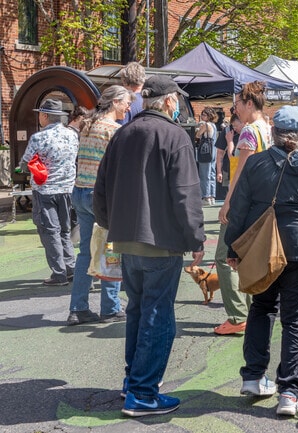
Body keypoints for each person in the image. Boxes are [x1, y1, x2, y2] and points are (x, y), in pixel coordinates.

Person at [93, 75, 205, 417]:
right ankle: (142, 392)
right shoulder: (173, 135)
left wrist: (113, 224)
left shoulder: (123, 133)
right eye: (177, 100)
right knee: (156, 316)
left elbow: (101, 191)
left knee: (139, 313)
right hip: (161, 242)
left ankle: (134, 381)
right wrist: (196, 238)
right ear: (170, 101)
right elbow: (186, 195)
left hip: (127, 238)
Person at [224, 105, 298, 417]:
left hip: (263, 246)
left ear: (273, 133)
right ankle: (289, 391)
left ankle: (253, 376)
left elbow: (238, 208)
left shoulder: (257, 163)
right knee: (296, 319)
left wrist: (232, 249)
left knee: (261, 309)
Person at [67, 85, 134, 326]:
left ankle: (78, 307)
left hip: (80, 190)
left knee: (86, 252)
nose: (129, 107)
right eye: (126, 102)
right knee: (111, 250)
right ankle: (110, 307)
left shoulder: (86, 125)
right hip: (102, 196)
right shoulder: (115, 130)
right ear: (115, 102)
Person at [215, 81, 271, 335]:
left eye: (237, 104)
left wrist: (227, 202)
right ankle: (250, 312)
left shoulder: (249, 131)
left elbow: (241, 171)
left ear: (249, 104)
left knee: (224, 256)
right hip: (259, 200)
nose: (234, 110)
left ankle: (238, 315)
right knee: (247, 257)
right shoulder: (266, 128)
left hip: (242, 200)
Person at [21, 99, 78, 286]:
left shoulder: (38, 138)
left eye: (40, 114)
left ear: (45, 115)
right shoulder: (72, 135)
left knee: (49, 231)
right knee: (64, 230)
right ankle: (71, 269)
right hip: (68, 190)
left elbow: (25, 164)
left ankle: (58, 273)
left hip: (45, 191)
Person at [195, 107, 219, 206]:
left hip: (206, 151)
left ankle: (206, 196)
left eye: (204, 115)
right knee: (212, 173)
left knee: (205, 174)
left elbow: (197, 135)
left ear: (209, 116)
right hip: (213, 150)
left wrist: (198, 129)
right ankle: (212, 196)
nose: (202, 116)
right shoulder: (214, 125)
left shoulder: (206, 125)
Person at [216, 113, 243, 188]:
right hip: (228, 168)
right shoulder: (228, 130)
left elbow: (232, 157)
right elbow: (220, 152)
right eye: (233, 125)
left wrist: (230, 141)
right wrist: (219, 172)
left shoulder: (249, 132)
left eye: (236, 125)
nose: (234, 128)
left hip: (241, 168)